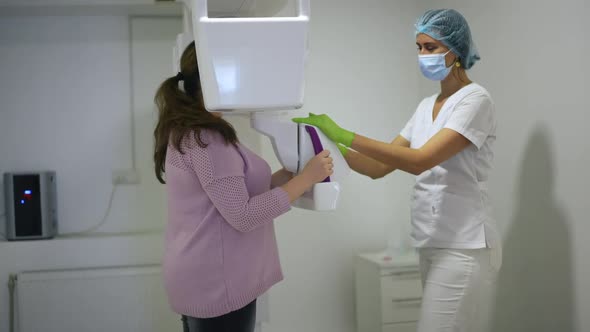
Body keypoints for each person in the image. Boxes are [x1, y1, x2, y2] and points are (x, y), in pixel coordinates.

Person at [294, 9, 501, 332]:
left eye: (430, 47)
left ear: (455, 50)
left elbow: (420, 160)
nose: (422, 56)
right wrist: (326, 145)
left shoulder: (475, 100)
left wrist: (345, 134)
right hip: (430, 239)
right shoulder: (424, 107)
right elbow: (378, 167)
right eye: (418, 47)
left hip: (463, 244)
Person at [153, 41, 334, 332]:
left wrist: (287, 176)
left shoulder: (191, 130)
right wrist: (306, 179)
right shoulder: (207, 138)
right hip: (215, 281)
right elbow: (244, 215)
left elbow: (232, 195)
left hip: (202, 276)